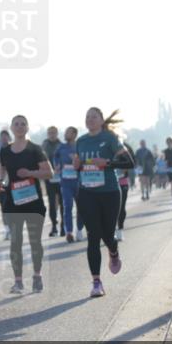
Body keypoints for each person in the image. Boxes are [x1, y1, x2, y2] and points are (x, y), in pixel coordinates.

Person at [73, 108, 129, 297]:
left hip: (109, 192)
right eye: (87, 116)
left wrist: (108, 163)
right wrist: (77, 166)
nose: (90, 119)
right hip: (87, 193)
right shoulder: (81, 141)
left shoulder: (110, 138)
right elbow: (81, 166)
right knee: (93, 236)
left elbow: (129, 163)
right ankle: (96, 282)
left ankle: (113, 251)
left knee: (107, 234)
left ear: (101, 120)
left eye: (94, 116)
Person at [0, 115, 53, 293]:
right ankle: (18, 282)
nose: (20, 127)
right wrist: (1, 182)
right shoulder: (5, 151)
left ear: (27, 128)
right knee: (15, 242)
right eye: (16, 124)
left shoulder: (35, 149)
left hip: (34, 203)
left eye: (23, 124)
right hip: (13, 202)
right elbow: (2, 171)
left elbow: (49, 173)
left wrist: (30, 173)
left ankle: (37, 276)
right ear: (12, 128)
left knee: (35, 241)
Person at [53, 126, 84, 242]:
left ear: (74, 134)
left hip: (79, 182)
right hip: (65, 182)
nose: (65, 134)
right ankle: (69, 232)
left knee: (81, 207)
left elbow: (85, 160)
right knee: (67, 206)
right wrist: (56, 165)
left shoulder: (80, 146)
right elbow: (55, 157)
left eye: (68, 132)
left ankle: (79, 229)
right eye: (65, 132)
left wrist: (77, 159)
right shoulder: (61, 147)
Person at [41, 126, 64, 237]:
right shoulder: (44, 146)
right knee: (51, 203)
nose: (52, 135)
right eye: (50, 133)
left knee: (62, 203)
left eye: (53, 132)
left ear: (57, 133)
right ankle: (54, 226)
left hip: (61, 178)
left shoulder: (62, 145)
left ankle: (63, 226)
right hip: (49, 178)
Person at [114, 141, 137, 242]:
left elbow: (132, 162)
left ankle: (120, 229)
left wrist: (124, 168)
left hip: (122, 181)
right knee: (110, 209)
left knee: (121, 207)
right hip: (108, 183)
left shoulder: (125, 146)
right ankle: (111, 230)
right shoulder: (103, 143)